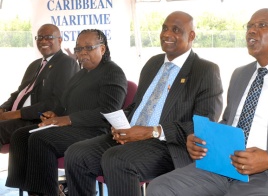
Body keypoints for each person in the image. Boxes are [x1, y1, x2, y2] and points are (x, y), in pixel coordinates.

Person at [146, 8, 268, 196]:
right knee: (161, 188)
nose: (251, 31)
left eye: (262, 25)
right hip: (224, 165)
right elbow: (229, 123)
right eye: (249, 26)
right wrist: (203, 140)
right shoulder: (240, 74)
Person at [64, 11, 223, 196]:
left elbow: (204, 125)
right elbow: (139, 105)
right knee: (76, 154)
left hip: (167, 145)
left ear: (192, 36)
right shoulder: (153, 63)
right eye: (164, 28)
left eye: (176, 30)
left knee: (117, 159)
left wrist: (153, 131)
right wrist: (119, 124)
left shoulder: (205, 71)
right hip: (131, 134)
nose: (166, 34)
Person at [5, 29, 128, 196]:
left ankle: (48, 192)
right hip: (73, 127)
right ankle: (31, 190)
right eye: (78, 49)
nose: (82, 53)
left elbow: (108, 112)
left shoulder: (113, 72)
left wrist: (67, 119)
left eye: (89, 48)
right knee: (20, 136)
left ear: (103, 49)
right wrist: (54, 114)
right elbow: (63, 103)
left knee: (41, 139)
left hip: (96, 130)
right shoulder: (81, 74)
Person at [0, 24, 79, 150]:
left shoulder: (67, 63)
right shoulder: (34, 64)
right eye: (40, 37)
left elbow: (57, 102)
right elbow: (20, 93)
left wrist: (17, 114)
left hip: (36, 120)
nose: (43, 41)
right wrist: (3, 108)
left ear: (59, 40)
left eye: (48, 37)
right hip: (14, 117)